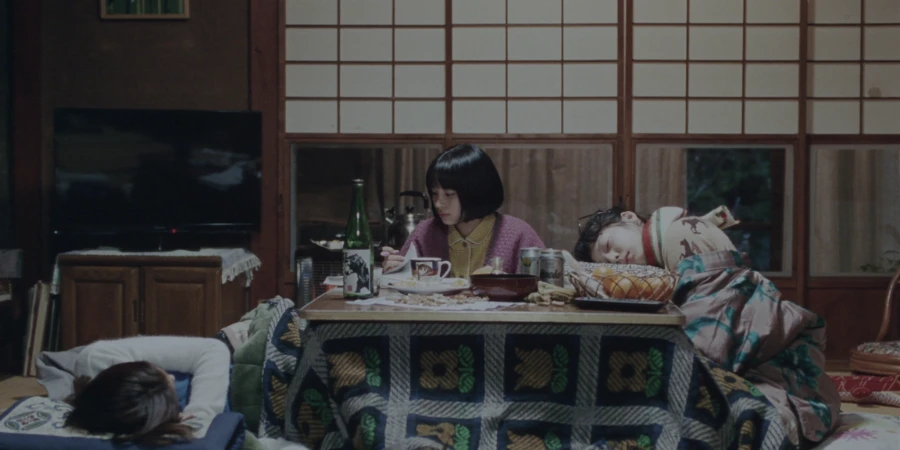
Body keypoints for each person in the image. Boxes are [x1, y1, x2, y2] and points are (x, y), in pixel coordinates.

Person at [573, 204, 840, 447]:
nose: (615, 258)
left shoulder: (681, 233)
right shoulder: (664, 259)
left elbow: (712, 329)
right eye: (606, 261)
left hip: (783, 379)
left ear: (629, 218)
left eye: (608, 245)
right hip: (754, 366)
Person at [381, 144, 545, 277]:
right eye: (434, 193)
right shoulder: (425, 233)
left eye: (449, 194)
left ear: (476, 191)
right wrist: (393, 270)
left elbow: (545, 291)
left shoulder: (519, 234)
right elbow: (405, 286)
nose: (438, 204)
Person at [65, 336, 231, 445]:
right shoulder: (130, 417)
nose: (172, 377)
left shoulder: (99, 357)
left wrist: (202, 413)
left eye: (161, 371)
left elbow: (214, 348)